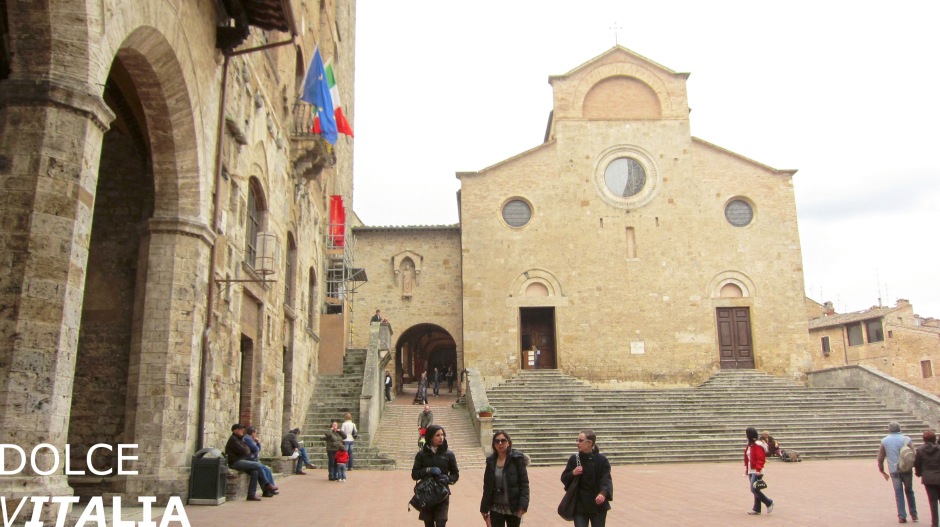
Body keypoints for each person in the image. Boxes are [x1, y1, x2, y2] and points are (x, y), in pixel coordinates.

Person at [561, 429, 613, 527]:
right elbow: (564, 478)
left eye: (580, 440)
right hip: (580, 504)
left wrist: (603, 493)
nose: (577, 443)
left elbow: (606, 479)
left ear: (589, 443)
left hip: (598, 504)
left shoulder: (601, 460)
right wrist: (573, 473)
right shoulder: (574, 459)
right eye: (577, 440)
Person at [411, 424, 459, 527]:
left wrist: (447, 479)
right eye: (438, 435)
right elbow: (414, 475)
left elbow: (455, 474)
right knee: (429, 524)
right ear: (430, 437)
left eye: (442, 435)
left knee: (441, 522)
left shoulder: (449, 454)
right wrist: (427, 470)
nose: (441, 437)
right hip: (427, 494)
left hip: (442, 493)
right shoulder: (421, 455)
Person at [480, 430, 529, 527]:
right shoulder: (491, 461)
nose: (500, 443)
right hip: (496, 507)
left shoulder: (517, 459)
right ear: (494, 444)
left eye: (503, 440)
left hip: (513, 506)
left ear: (508, 442)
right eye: (497, 441)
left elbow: (524, 484)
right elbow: (487, 486)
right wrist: (484, 508)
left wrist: (523, 505)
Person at [880, 421, 919, 523]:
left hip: (894, 470)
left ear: (889, 429)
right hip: (906, 469)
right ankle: (914, 514)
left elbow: (881, 457)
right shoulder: (907, 439)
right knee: (909, 491)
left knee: (898, 493)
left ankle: (902, 516)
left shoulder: (885, 441)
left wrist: (881, 468)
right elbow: (914, 455)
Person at [225, 424, 272, 501]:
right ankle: (267, 484)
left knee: (255, 472)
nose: (242, 431)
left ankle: (251, 495)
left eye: (242, 429)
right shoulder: (233, 440)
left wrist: (248, 449)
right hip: (235, 462)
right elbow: (244, 450)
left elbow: (250, 450)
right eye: (240, 429)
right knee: (257, 465)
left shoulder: (240, 439)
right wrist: (247, 450)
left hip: (242, 460)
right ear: (235, 430)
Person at [744, 426, 774, 515]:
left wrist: (758, 469)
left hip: (757, 470)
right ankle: (756, 508)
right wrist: (747, 469)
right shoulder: (750, 444)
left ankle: (769, 502)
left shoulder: (757, 444)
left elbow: (760, 458)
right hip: (751, 469)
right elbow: (748, 457)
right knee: (755, 488)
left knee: (754, 489)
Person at [915, 429, 940, 527]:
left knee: (932, 500)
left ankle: (935, 523)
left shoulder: (920, 450)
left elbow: (917, 463)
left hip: (928, 478)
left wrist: (918, 473)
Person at [243, 426, 278, 494]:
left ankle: (271, 488)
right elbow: (256, 449)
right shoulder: (247, 438)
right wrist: (258, 443)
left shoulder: (250, 439)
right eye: (255, 433)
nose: (256, 435)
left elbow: (257, 449)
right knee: (262, 470)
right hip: (251, 460)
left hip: (254, 460)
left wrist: (257, 443)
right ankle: (267, 489)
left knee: (267, 470)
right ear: (253, 433)